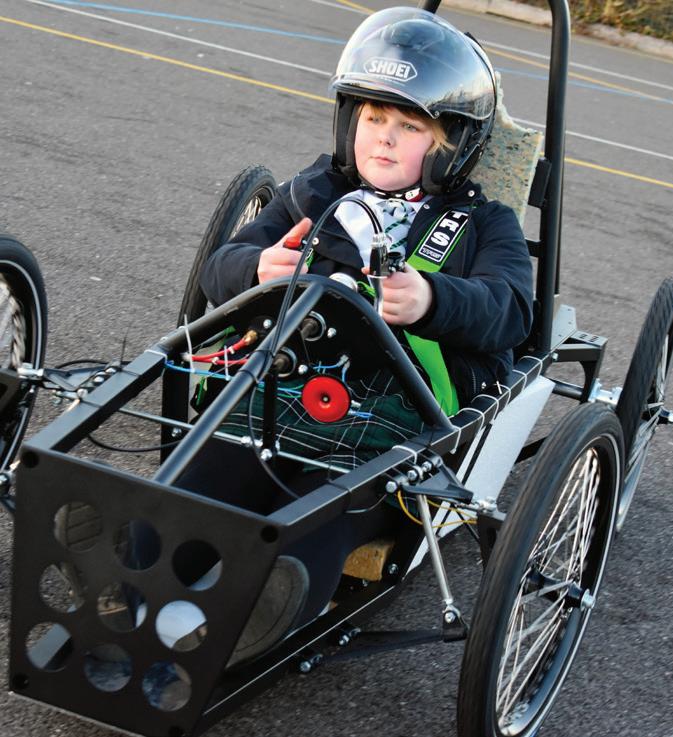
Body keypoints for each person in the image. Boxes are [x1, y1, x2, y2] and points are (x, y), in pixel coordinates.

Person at [173, 6, 534, 661]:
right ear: (348, 123)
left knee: (325, 512)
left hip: (393, 419)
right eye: (373, 119)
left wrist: (431, 298)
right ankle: (138, 560)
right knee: (207, 478)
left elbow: (511, 310)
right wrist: (258, 267)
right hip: (279, 390)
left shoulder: (484, 223)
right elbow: (219, 267)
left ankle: (264, 610)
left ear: (451, 144)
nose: (384, 139)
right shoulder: (310, 195)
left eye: (409, 126)